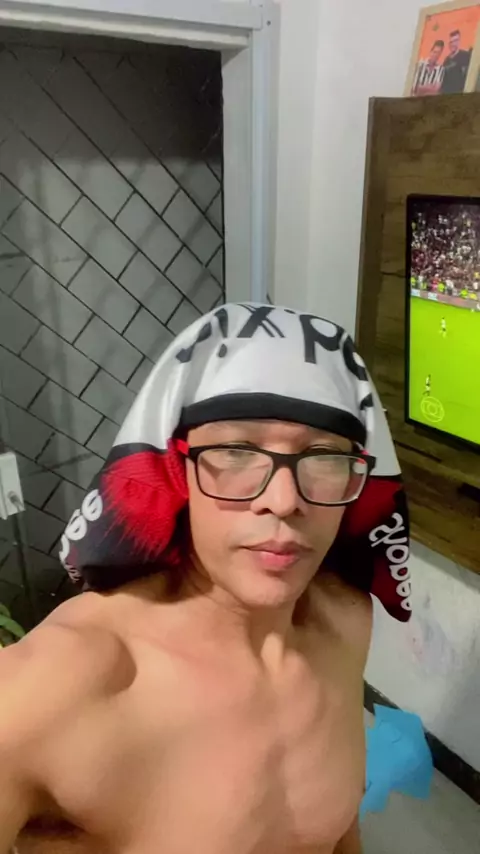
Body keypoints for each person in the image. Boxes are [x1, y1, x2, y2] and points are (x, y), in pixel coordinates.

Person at [0, 303, 411, 854]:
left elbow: (337, 834)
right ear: (177, 469)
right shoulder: (54, 687)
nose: (283, 500)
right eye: (236, 451)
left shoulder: (345, 623)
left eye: (323, 456)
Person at [441, 30, 472, 94]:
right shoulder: (446, 60)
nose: (453, 44)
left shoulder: (466, 55)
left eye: (456, 40)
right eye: (451, 41)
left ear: (459, 41)